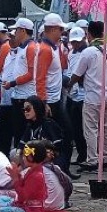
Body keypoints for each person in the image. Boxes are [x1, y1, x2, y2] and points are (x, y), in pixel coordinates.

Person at [70, 21, 107, 173]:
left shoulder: (88, 52)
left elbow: (77, 75)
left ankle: (92, 160)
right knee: (105, 129)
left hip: (93, 97)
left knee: (91, 130)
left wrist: (68, 85)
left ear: (88, 34)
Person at [36, 13, 77, 178]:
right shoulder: (46, 50)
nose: (62, 33)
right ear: (52, 29)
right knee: (61, 136)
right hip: (50, 102)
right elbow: (40, 77)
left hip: (55, 99)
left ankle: (61, 168)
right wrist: (43, 102)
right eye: (60, 29)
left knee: (63, 136)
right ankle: (59, 169)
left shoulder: (53, 48)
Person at [0, 140, 49, 212]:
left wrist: (15, 179)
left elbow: (23, 196)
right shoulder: (32, 170)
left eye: (24, 155)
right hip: (23, 204)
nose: (22, 157)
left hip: (31, 211)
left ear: (31, 157)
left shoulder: (37, 175)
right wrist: (17, 176)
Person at [4, 18, 41, 146]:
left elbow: (31, 74)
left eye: (17, 30)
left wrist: (12, 83)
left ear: (23, 30)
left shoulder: (30, 47)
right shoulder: (23, 47)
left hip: (25, 96)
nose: (15, 33)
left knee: (23, 134)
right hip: (18, 95)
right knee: (18, 133)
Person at [65, 27, 87, 165]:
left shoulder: (88, 53)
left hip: (85, 95)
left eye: (78, 41)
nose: (75, 44)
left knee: (86, 128)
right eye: (73, 42)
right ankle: (81, 154)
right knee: (75, 128)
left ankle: (87, 155)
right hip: (72, 94)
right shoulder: (71, 53)